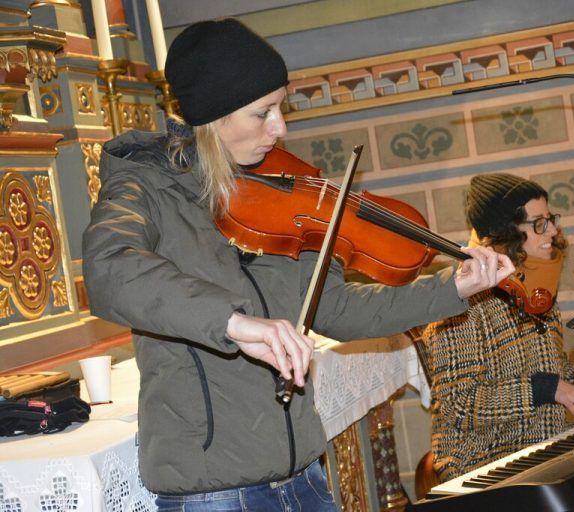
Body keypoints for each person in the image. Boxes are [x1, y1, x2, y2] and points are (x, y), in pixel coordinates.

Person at [82, 18, 514, 512]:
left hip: (305, 479)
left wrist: (451, 289)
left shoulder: (282, 188)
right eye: (261, 113)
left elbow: (336, 307)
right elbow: (110, 269)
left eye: (281, 108)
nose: (280, 128)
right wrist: (233, 322)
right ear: (210, 115)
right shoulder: (144, 188)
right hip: (214, 492)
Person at [421, 173, 574, 482]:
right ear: (506, 234)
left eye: (551, 219)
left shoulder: (536, 290)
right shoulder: (460, 304)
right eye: (539, 223)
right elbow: (460, 406)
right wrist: (544, 389)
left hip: (543, 447)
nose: (554, 231)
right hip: (484, 463)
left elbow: (556, 374)